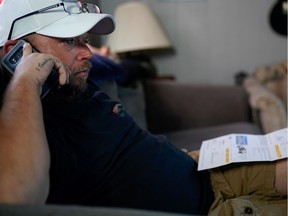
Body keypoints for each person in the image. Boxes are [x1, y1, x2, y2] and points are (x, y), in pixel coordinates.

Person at [0, 0, 286, 215]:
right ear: (14, 50)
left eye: (85, 40)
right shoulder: (20, 112)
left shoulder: (72, 81)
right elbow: (15, 198)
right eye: (67, 40)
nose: (86, 52)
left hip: (206, 172)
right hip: (211, 209)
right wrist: (26, 79)